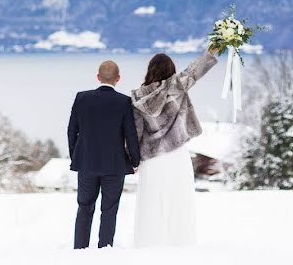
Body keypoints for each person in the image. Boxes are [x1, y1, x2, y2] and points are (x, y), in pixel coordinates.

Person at [130, 47, 220, 247]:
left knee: (151, 200)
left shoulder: (136, 98)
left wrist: (133, 160)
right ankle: (179, 241)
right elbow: (194, 71)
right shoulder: (175, 87)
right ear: (170, 70)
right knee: (178, 198)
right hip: (177, 154)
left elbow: (135, 132)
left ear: (150, 70)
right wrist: (210, 52)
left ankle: (149, 241)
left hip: (151, 158)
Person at [67, 59, 141, 249]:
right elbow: (130, 134)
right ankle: (104, 249)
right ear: (118, 79)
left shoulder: (81, 98)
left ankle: (80, 249)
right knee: (109, 209)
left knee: (84, 207)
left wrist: (76, 155)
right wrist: (135, 160)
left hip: (86, 163)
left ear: (98, 77)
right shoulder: (124, 102)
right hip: (114, 164)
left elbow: (71, 130)